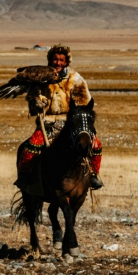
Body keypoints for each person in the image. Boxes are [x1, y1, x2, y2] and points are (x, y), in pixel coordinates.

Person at [16, 45, 103, 190]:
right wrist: (36, 103)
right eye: (55, 59)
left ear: (67, 62)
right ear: (49, 60)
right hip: (48, 123)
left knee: (95, 145)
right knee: (31, 146)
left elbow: (83, 104)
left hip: (71, 123)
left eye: (61, 60)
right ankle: (25, 177)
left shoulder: (75, 79)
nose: (58, 63)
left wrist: (77, 117)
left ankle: (93, 174)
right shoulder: (41, 76)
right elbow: (32, 100)